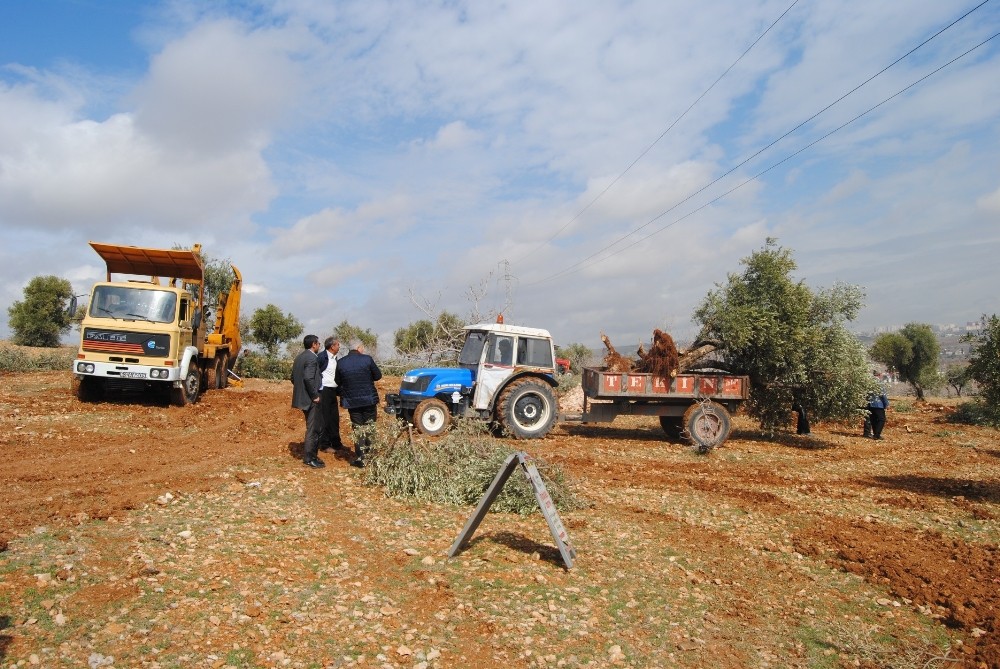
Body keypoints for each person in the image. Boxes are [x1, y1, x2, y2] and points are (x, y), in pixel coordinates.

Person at [335, 339, 383, 468]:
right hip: (369, 400)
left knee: (357, 428)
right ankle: (371, 457)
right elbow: (378, 376)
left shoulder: (341, 362)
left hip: (352, 401)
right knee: (370, 427)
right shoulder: (367, 359)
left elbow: (337, 381)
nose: (363, 350)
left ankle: (361, 458)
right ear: (359, 348)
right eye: (363, 347)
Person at [291, 334, 325, 468]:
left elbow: (293, 378)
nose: (319, 345)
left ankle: (313, 456)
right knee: (313, 429)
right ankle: (310, 458)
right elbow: (308, 378)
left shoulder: (299, 357)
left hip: (303, 398)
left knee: (316, 427)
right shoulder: (312, 358)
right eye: (318, 343)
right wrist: (314, 395)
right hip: (311, 400)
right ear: (313, 344)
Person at [317, 337, 344, 451]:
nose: (339, 347)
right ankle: (325, 444)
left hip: (333, 391)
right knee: (325, 418)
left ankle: (336, 442)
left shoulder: (335, 358)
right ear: (332, 346)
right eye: (337, 345)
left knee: (334, 418)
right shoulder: (321, 357)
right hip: (324, 391)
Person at [864, 370, 890, 440]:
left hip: (870, 404)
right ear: (879, 375)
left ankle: (875, 434)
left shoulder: (869, 382)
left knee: (873, 419)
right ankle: (877, 435)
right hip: (878, 404)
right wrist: (887, 404)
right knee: (882, 419)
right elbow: (883, 394)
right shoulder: (879, 383)